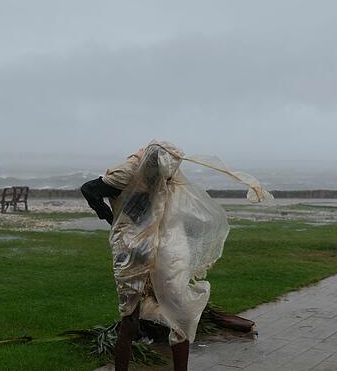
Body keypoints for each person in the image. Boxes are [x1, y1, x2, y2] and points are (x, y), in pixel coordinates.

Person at [81, 141, 272, 371]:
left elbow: (178, 205)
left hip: (165, 241)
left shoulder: (169, 170)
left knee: (179, 315)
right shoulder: (127, 172)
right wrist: (112, 219)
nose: (169, 177)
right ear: (150, 165)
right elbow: (89, 190)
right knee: (129, 317)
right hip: (132, 246)